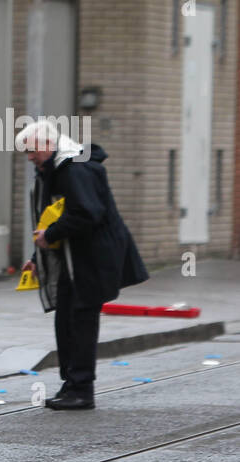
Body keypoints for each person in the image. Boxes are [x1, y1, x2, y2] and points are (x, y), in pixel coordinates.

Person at [16, 120, 149, 411]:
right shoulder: (54, 169)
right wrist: (38, 255)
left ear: (48, 145)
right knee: (66, 320)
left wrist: (49, 236)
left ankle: (82, 388)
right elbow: (51, 216)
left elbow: (87, 213)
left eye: (31, 150)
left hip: (91, 260)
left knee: (81, 320)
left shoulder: (75, 169)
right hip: (73, 261)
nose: (29, 157)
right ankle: (72, 384)